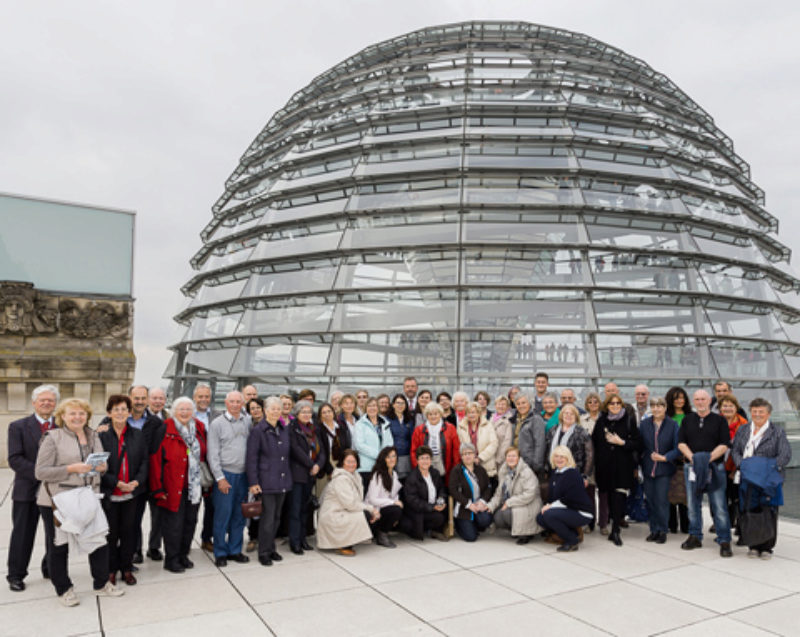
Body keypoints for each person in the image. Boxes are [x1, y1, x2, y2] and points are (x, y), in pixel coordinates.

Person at [36, 398, 124, 606]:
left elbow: (101, 464)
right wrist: (71, 469)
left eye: (82, 413)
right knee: (58, 547)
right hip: (58, 501)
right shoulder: (52, 437)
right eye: (72, 413)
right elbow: (40, 472)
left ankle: (102, 583)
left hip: (88, 497)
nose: (77, 417)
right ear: (63, 416)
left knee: (98, 540)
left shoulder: (94, 435)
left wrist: (101, 468)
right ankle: (64, 589)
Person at [6, 384, 58, 592]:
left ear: (55, 404)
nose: (46, 403)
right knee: (23, 533)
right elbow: (15, 459)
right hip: (26, 490)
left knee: (53, 534)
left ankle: (50, 567)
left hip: (55, 491)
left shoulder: (62, 426)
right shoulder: (18, 426)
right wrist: (42, 473)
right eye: (42, 400)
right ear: (34, 402)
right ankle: (16, 574)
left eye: (51, 400)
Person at [150, 396, 208, 573]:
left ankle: (183, 555)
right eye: (181, 409)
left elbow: (203, 454)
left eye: (188, 409)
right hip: (172, 486)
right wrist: (158, 488)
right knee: (173, 525)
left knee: (190, 522)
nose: (185, 413)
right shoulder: (164, 428)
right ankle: (171, 559)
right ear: (174, 411)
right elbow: (155, 460)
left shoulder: (198, 427)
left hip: (194, 486)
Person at [730, 398, 792, 559]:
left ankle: (767, 547)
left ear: (768, 414)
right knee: (750, 511)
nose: (757, 415)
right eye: (754, 411)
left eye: (761, 412)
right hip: (748, 478)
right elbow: (735, 450)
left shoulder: (777, 432)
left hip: (768, 480)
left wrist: (766, 469)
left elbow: (785, 455)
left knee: (768, 512)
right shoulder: (743, 430)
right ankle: (753, 544)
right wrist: (742, 465)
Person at [677, 389, 733, 557]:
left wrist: (706, 459)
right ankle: (695, 535)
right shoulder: (687, 420)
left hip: (715, 467)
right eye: (697, 399)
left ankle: (724, 540)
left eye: (703, 399)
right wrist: (694, 459)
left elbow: (724, 444)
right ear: (693, 401)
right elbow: (681, 443)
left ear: (709, 401)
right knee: (693, 505)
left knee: (719, 505)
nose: (700, 402)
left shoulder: (719, 420)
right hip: (691, 468)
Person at [99, 395, 148, 585]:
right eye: (116, 409)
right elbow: (99, 466)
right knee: (111, 534)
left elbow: (145, 461)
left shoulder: (137, 434)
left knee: (129, 532)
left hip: (132, 493)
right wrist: (116, 483)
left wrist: (136, 482)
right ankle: (111, 569)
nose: (120, 413)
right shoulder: (101, 436)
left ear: (129, 412)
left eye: (124, 409)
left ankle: (126, 568)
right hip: (111, 493)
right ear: (109, 413)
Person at [247, 396, 292, 566]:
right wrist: (253, 482)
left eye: (278, 408)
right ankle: (264, 552)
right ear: (265, 411)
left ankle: (271, 548)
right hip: (266, 481)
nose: (275, 411)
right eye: (272, 408)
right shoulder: (258, 430)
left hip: (282, 479)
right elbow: (251, 458)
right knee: (267, 518)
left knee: (277, 517)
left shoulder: (283, 428)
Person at [207, 391, 251, 567]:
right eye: (231, 401)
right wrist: (220, 478)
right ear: (226, 403)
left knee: (239, 515)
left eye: (238, 401)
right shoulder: (217, 424)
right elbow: (212, 453)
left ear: (242, 403)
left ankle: (235, 550)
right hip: (226, 475)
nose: (235, 404)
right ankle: (220, 552)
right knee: (222, 516)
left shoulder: (247, 421)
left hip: (244, 476)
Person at [591, 393, 640, 546]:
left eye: (618, 403)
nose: (615, 406)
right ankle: (613, 528)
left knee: (619, 497)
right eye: (612, 403)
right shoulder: (601, 421)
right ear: (607, 406)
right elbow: (595, 443)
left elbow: (637, 443)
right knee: (609, 497)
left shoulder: (628, 420)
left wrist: (622, 442)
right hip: (605, 467)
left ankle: (616, 531)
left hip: (622, 466)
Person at [316, 450, 376, 556]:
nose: (351, 465)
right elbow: (351, 504)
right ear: (342, 462)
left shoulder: (355, 476)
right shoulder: (341, 479)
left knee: (369, 514)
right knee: (366, 514)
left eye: (354, 462)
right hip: (333, 516)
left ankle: (348, 541)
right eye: (348, 462)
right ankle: (343, 544)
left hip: (344, 511)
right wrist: (370, 508)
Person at [537, 446, 594, 552]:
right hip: (567, 509)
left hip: (581, 511)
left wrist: (551, 506)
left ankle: (572, 541)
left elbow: (570, 498)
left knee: (549, 515)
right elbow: (553, 495)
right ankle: (573, 534)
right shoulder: (556, 472)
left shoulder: (572, 473)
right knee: (541, 518)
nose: (559, 459)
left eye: (562, 457)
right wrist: (547, 504)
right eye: (556, 456)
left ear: (568, 458)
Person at [638, 397, 679, 544]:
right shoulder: (644, 424)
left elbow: (677, 448)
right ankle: (653, 530)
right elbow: (639, 445)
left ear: (665, 407)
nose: (656, 409)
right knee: (650, 500)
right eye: (653, 406)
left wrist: (665, 457)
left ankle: (662, 530)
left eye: (659, 406)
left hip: (664, 469)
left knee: (661, 501)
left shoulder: (673, 425)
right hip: (648, 468)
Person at [288, 400, 326, 554]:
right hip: (298, 475)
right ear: (297, 413)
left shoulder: (314, 429)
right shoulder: (292, 429)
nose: (306, 414)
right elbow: (295, 450)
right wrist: (311, 465)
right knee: (295, 510)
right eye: (303, 412)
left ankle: (303, 539)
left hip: (311, 475)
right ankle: (295, 541)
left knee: (305, 509)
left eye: (309, 412)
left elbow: (322, 450)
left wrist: (318, 465)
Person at [488, 446, 542, 544]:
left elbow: (529, 494)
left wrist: (509, 502)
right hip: (516, 503)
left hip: (529, 504)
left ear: (519, 458)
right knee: (497, 517)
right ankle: (517, 530)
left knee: (505, 513)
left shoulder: (526, 472)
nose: (511, 459)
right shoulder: (504, 472)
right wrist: (490, 506)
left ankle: (526, 533)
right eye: (508, 456)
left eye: (514, 456)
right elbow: (499, 493)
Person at [193, 384, 220, 554]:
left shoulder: (218, 415)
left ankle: (206, 538)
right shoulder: (187, 414)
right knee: (192, 508)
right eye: (200, 396)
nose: (203, 400)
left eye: (206, 396)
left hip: (213, 467)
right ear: (194, 397)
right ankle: (185, 541)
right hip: (193, 467)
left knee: (212, 507)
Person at [400, 445, 448, 541]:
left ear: (431, 460)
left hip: (431, 509)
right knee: (413, 528)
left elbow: (441, 490)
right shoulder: (412, 477)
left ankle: (432, 531)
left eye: (427, 458)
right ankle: (423, 529)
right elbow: (412, 500)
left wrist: (441, 501)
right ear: (417, 460)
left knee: (440, 517)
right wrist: (431, 507)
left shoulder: (435, 473)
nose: (425, 461)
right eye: (422, 458)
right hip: (416, 510)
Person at [450, 443, 493, 542]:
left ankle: (475, 524)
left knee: (486, 520)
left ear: (474, 454)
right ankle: (460, 524)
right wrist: (468, 504)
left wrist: (482, 502)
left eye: (470, 453)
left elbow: (488, 488)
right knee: (471, 537)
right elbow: (453, 490)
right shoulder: (457, 471)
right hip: (464, 507)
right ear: (461, 456)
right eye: (464, 454)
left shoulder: (481, 470)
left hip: (478, 505)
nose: (468, 456)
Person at [410, 402, 460, 485]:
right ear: (427, 415)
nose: (433, 416)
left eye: (436, 414)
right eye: (430, 414)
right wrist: (417, 467)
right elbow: (413, 451)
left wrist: (455, 467)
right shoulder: (419, 430)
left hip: (444, 463)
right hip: (425, 463)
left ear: (440, 414)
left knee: (443, 487)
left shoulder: (450, 428)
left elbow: (456, 449)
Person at [719, 394, 748, 537]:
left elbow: (747, 449)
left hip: (737, 469)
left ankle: (741, 530)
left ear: (736, 407)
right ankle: (724, 528)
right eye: (724, 405)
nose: (727, 408)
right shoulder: (717, 422)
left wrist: (737, 468)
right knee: (720, 500)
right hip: (719, 467)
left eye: (731, 405)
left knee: (738, 500)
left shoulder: (744, 425)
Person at [364, 446, 403, 548]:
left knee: (398, 509)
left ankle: (381, 532)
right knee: (395, 509)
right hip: (373, 512)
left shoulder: (394, 474)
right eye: (388, 457)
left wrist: (395, 502)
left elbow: (394, 495)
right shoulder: (378, 475)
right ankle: (381, 535)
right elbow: (372, 499)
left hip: (382, 509)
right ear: (383, 459)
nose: (392, 459)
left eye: (394, 456)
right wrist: (393, 503)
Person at [665, 386, 691, 534]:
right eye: (676, 398)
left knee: (685, 495)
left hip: (686, 460)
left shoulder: (691, 416)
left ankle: (686, 525)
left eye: (682, 398)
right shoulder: (666, 417)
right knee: (670, 494)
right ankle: (672, 525)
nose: (680, 401)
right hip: (670, 460)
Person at [353, 397, 394, 489]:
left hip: (383, 466)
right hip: (366, 467)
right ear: (365, 408)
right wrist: (379, 455)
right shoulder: (360, 424)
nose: (372, 408)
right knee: (367, 494)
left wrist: (385, 457)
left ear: (378, 408)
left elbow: (390, 443)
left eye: (374, 405)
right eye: (369, 405)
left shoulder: (384, 423)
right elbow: (359, 445)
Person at [456, 401, 499, 480]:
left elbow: (494, 443)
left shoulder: (488, 425)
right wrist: (469, 458)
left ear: (479, 413)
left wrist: (480, 458)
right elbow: (460, 445)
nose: (471, 415)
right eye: (469, 413)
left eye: (473, 412)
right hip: (468, 464)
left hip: (485, 463)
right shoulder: (461, 426)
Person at [244, 397, 265, 553]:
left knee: (267, 507)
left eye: (258, 407)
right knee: (254, 505)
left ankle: (265, 537)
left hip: (268, 471)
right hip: (253, 470)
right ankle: (253, 537)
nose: (256, 410)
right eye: (252, 408)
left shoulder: (270, 423)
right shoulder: (248, 425)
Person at [517, 392, 547, 489]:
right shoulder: (517, 419)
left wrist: (536, 466)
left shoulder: (536, 419)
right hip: (519, 463)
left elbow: (540, 443)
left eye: (523, 403)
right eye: (518, 404)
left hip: (531, 465)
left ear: (530, 403)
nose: (521, 406)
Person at [387, 394, 415, 479]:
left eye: (403, 403)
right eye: (398, 403)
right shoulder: (387, 420)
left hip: (406, 456)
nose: (400, 405)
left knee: (406, 479)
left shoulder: (409, 419)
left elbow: (412, 438)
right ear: (393, 405)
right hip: (393, 455)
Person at [490, 395, 514, 476]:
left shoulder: (509, 419)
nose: (501, 406)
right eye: (499, 404)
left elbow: (508, 441)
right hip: (490, 456)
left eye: (503, 404)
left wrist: (499, 458)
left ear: (508, 407)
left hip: (501, 458)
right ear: (495, 405)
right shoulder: (491, 418)